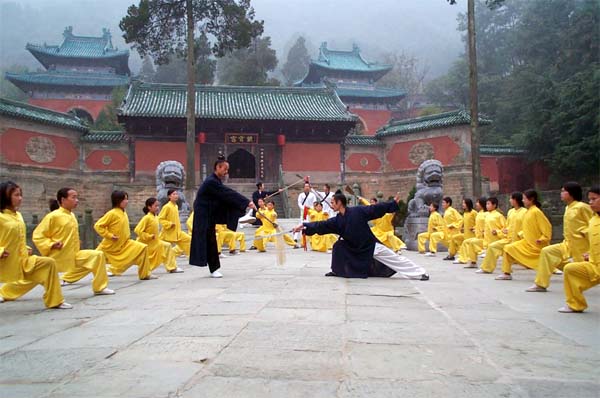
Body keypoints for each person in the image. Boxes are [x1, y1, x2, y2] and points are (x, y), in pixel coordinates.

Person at [293, 191, 428, 280]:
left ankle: (420, 273)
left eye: (333, 202)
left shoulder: (358, 211)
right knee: (339, 246)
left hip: (369, 246)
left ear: (339, 203)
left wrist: (392, 204)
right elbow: (321, 225)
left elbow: (375, 209)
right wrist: (305, 226)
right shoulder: (337, 220)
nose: (331, 205)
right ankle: (337, 270)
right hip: (354, 248)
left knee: (394, 259)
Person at [0, 181, 72, 309]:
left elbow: (17, 236)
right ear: (5, 196)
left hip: (21, 259)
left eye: (20, 194)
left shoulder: (18, 215)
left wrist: (24, 247)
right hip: (5, 260)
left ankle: (55, 301)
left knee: (48, 263)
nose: (20, 198)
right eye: (16, 195)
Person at [33, 187, 114, 295]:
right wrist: (51, 244)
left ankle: (100, 287)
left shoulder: (71, 215)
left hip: (73, 254)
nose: (77, 200)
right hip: (58, 256)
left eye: (77, 197)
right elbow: (38, 236)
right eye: (73, 197)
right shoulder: (53, 216)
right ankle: (6, 292)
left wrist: (76, 241)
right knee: (30, 278)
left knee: (97, 255)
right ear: (63, 200)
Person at [190, 156, 255, 278]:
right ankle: (213, 269)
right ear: (218, 167)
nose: (226, 172)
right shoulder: (211, 182)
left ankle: (239, 217)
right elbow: (227, 192)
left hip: (211, 212)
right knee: (208, 241)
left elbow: (225, 196)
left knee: (211, 240)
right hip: (203, 215)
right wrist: (246, 202)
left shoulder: (215, 181)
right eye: (225, 169)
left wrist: (243, 204)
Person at [526, 182, 594, 292]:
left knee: (588, 271)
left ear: (571, 193)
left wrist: (584, 233)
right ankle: (541, 284)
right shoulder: (568, 208)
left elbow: (594, 224)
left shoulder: (582, 207)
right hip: (567, 244)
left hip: (581, 246)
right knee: (547, 252)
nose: (561, 193)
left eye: (563, 191)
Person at [94, 191, 155, 280]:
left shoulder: (124, 212)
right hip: (110, 245)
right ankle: (68, 277)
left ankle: (145, 274)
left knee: (143, 248)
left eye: (127, 199)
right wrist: (110, 235)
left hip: (125, 243)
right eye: (124, 199)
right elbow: (98, 226)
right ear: (118, 201)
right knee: (92, 259)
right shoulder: (112, 213)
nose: (127, 201)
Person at [496, 189, 552, 280]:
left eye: (524, 199)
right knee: (508, 248)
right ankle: (506, 273)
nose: (523, 201)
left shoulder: (536, 212)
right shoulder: (528, 211)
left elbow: (547, 227)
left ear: (531, 199)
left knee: (554, 261)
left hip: (536, 244)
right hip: (526, 242)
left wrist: (543, 238)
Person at [560, 187, 600, 313]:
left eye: (594, 199)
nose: (591, 202)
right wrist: (591, 253)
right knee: (570, 269)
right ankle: (575, 304)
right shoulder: (594, 220)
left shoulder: (581, 208)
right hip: (595, 264)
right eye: (590, 199)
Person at [478, 192, 526, 274]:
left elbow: (528, 227)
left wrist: (520, 234)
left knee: (531, 257)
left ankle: (552, 268)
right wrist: (502, 231)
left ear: (516, 200)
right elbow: (507, 226)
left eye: (511, 198)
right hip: (509, 239)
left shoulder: (525, 212)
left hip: (519, 240)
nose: (509, 200)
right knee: (493, 247)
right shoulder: (511, 211)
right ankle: (487, 268)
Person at [135, 197, 183, 274]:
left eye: (158, 206)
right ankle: (113, 269)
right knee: (130, 258)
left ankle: (172, 267)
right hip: (147, 243)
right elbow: (137, 230)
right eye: (155, 206)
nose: (157, 208)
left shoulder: (155, 217)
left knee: (167, 246)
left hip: (155, 242)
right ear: (149, 207)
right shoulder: (146, 218)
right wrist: (149, 236)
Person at [464, 197, 506, 268]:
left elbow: (505, 228)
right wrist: (478, 230)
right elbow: (483, 225)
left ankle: (488, 267)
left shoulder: (499, 215)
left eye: (488, 204)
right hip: (485, 239)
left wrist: (498, 232)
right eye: (486, 204)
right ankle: (473, 262)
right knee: (471, 242)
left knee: (495, 250)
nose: (487, 205)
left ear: (494, 205)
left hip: (494, 240)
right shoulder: (487, 215)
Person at [158, 189, 192, 256]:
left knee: (188, 240)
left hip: (177, 232)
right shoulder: (167, 207)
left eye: (176, 194)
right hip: (168, 233)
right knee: (161, 248)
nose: (176, 196)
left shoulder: (176, 206)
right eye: (174, 194)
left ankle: (191, 257)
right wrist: (169, 224)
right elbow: (161, 218)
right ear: (169, 196)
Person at [454, 197, 487, 265]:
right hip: (472, 233)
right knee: (465, 243)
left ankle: (470, 259)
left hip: (480, 236)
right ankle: (469, 260)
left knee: (468, 244)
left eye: (478, 202)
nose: (476, 204)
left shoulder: (476, 213)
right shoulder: (476, 213)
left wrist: (478, 229)